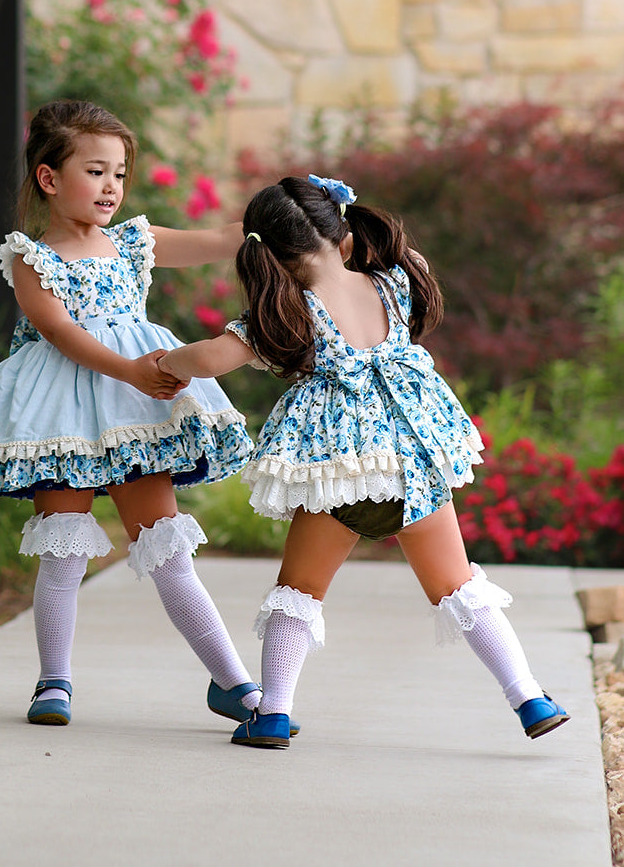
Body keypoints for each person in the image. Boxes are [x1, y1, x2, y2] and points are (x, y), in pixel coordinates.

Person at [155, 173, 569, 750]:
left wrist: (169, 361)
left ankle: (273, 713)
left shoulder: (284, 311)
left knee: (299, 590)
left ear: (265, 257)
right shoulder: (394, 282)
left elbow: (212, 357)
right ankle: (529, 697)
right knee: (457, 583)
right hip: (413, 463)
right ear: (343, 239)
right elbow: (412, 255)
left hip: (340, 473)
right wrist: (358, 238)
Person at [0, 99, 262, 730]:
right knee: (63, 550)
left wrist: (287, 209)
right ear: (49, 179)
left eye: (118, 172)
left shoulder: (136, 242)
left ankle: (233, 682)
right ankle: (53, 681)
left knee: (166, 547)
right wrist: (132, 369)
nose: (111, 186)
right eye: (95, 171)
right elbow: (58, 331)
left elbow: (225, 240)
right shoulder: (31, 256)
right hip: (63, 410)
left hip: (136, 412)